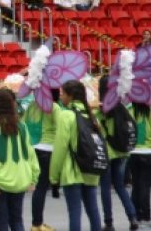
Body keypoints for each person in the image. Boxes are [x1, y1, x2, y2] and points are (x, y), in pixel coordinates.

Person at [0, 88, 40, 231]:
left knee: (0, 220)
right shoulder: (21, 126)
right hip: (20, 180)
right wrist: (33, 177)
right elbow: (30, 153)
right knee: (16, 219)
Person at [50, 80, 102, 231]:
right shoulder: (92, 116)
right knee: (93, 209)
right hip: (91, 170)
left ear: (70, 96)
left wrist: (54, 177)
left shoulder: (66, 115)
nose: (60, 96)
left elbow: (60, 148)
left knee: (74, 212)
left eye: (62, 93)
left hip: (72, 171)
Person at [96, 77, 140, 231]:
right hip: (123, 153)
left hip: (107, 153)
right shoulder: (122, 107)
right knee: (120, 186)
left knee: (105, 188)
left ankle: (109, 222)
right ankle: (132, 217)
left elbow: (98, 131)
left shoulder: (102, 110)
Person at [22, 84, 61, 231]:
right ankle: (37, 224)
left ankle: (38, 222)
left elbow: (23, 125)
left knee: (39, 187)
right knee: (41, 188)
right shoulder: (54, 107)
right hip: (48, 150)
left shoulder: (31, 106)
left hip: (33, 149)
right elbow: (61, 128)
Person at [129, 102, 151, 225]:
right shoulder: (149, 111)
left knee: (136, 184)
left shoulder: (130, 110)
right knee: (145, 185)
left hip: (133, 152)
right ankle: (145, 214)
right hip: (147, 152)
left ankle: (135, 213)